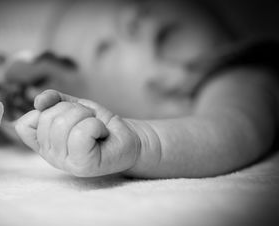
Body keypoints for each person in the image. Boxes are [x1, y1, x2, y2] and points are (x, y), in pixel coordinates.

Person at [14, 1, 279, 178]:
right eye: (103, 47)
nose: (130, 15)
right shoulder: (230, 80)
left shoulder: (243, 68)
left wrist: (142, 144)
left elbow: (233, 129)